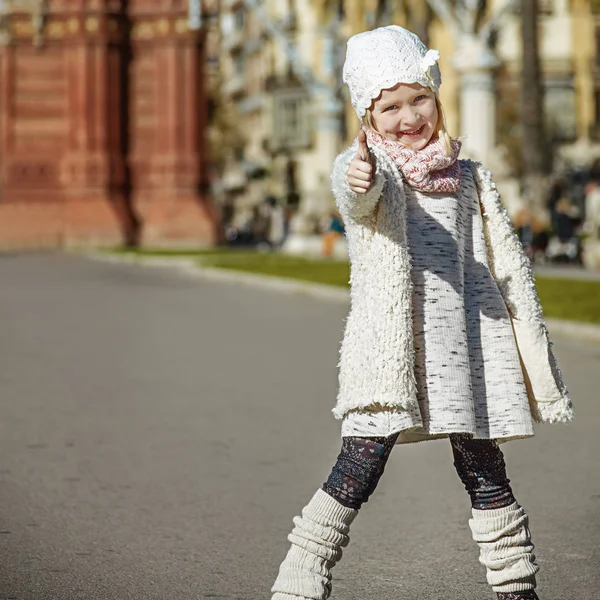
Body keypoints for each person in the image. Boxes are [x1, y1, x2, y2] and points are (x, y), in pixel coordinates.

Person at [270, 26, 574, 600]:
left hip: (465, 351)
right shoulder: (375, 169)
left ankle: (516, 586)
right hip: (396, 353)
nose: (408, 117)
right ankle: (301, 572)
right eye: (390, 108)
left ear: (438, 96)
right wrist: (356, 176)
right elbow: (355, 190)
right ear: (367, 117)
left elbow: (502, 256)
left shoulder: (467, 174)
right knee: (360, 463)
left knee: (484, 468)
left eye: (419, 100)